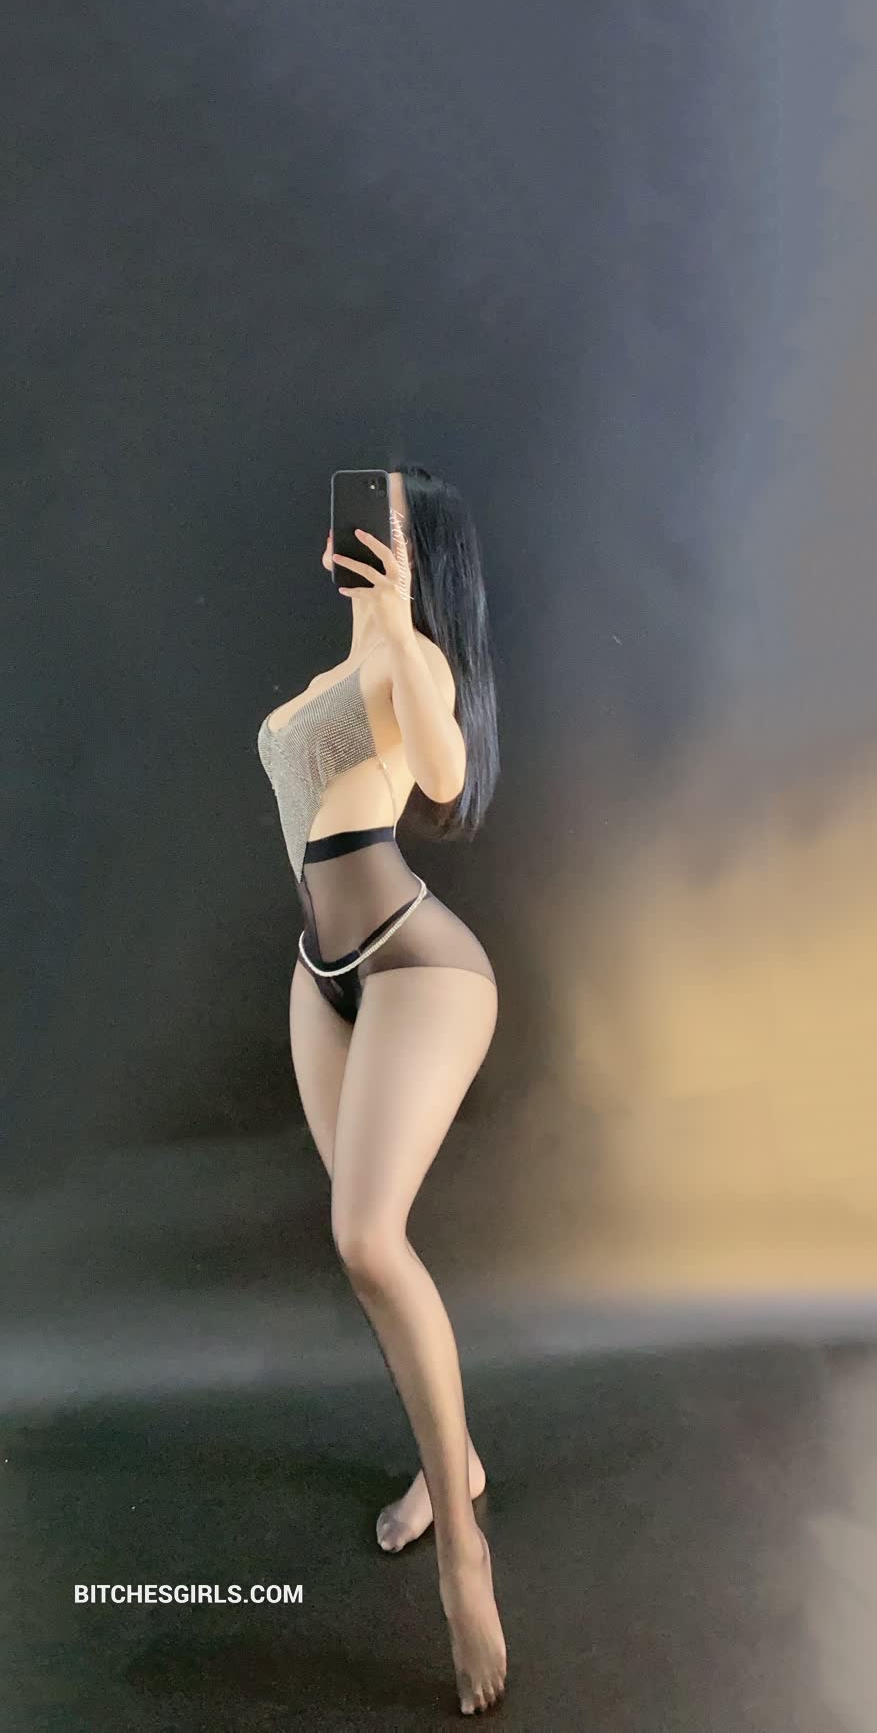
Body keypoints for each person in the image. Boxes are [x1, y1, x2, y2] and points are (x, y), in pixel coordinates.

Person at [256, 459, 507, 1715]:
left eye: (388, 522)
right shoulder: (333, 674)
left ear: (420, 550)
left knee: (367, 1238)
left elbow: (447, 778)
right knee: (364, 1247)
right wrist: (374, 622)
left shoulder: (419, 667)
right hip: (323, 973)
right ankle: (455, 1462)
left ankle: (465, 1559)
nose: (360, 532)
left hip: (417, 963)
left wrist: (401, 618)